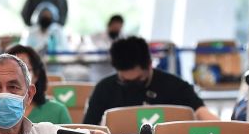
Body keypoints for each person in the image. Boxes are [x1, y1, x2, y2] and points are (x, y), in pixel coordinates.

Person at [83, 36, 218, 125]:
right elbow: (88, 129)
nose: (131, 85)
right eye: (124, 80)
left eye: (137, 80)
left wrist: (226, 130)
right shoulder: (105, 88)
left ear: (149, 65)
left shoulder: (174, 86)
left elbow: (201, 112)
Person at [6, 44, 72, 124]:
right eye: (9, 71)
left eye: (24, 70)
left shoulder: (58, 111)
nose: (15, 77)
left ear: (36, 75)